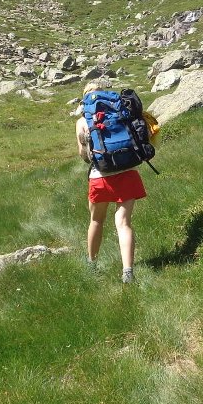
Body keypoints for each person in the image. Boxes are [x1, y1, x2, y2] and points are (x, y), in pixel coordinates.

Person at [76, 80, 147, 284]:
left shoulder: (83, 121)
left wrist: (85, 143)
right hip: (128, 173)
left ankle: (91, 264)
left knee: (96, 221)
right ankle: (128, 272)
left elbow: (84, 156)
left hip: (100, 176)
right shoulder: (119, 110)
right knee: (124, 224)